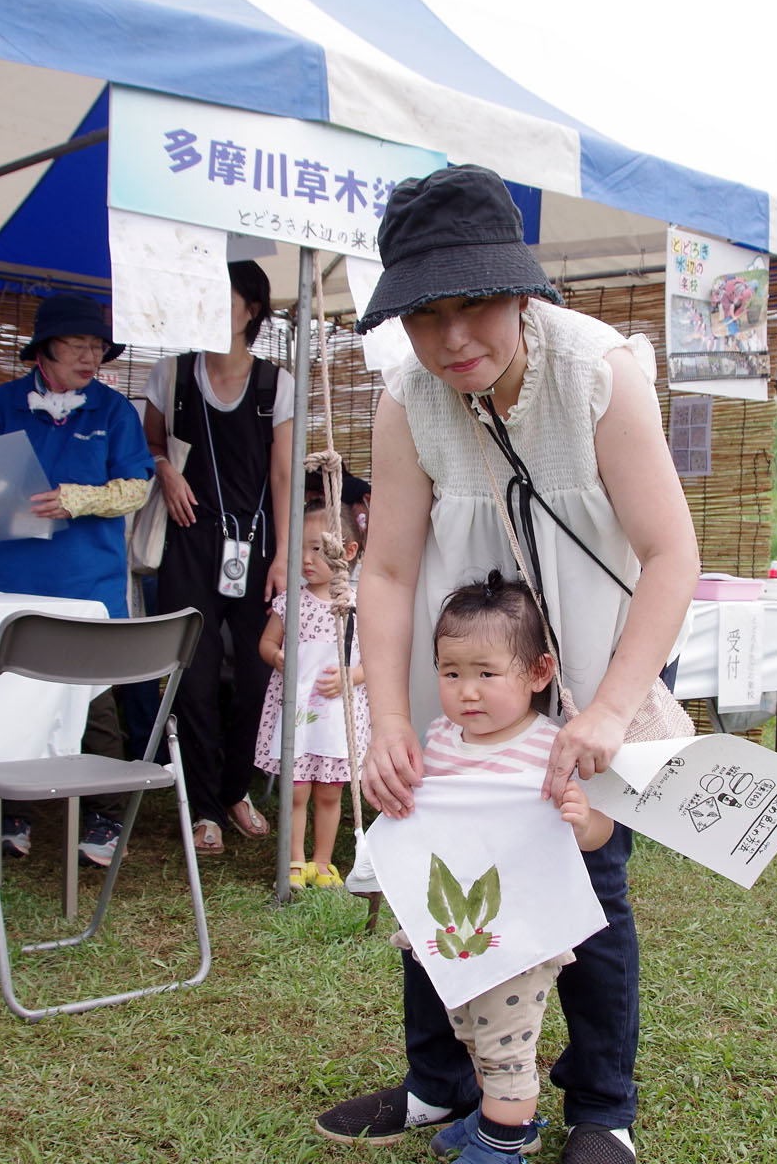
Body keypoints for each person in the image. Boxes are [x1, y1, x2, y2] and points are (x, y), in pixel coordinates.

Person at [313, 165, 699, 1164]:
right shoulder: (409, 397)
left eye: (474, 304)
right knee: (433, 866)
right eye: (423, 314)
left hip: (586, 681)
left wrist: (610, 709)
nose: (452, 339)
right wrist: (391, 724)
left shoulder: (599, 374)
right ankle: (440, 1086)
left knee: (591, 879)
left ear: (522, 291)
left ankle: (603, 1107)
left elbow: (671, 555)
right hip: (461, 674)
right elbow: (390, 567)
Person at [391, 572, 612, 1163]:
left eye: (486, 674)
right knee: (468, 1027)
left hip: (519, 929)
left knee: (506, 1043)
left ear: (537, 673)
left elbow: (600, 835)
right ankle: (500, 1118)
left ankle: (504, 1140)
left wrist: (581, 818)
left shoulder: (551, 746)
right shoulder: (438, 739)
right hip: (455, 927)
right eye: (451, 672)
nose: (467, 692)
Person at [0, 290, 154, 866]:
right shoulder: (0, 404)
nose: (90, 357)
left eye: (96, 347)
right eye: (76, 345)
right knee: (15, 695)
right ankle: (12, 813)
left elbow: (137, 487)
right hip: (16, 577)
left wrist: (77, 500)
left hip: (93, 581)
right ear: (44, 349)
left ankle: (104, 817)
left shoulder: (113, 412)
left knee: (95, 702)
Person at [145, 261, 293, 856]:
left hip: (256, 547)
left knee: (258, 674)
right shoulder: (171, 373)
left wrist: (284, 554)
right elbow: (152, 441)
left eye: (223, 297)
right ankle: (204, 806)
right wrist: (165, 474)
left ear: (252, 309)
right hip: (189, 539)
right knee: (194, 676)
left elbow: (284, 472)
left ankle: (236, 791)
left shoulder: (274, 384)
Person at [254, 498, 368, 890]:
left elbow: (376, 661)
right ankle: (294, 861)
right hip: (299, 712)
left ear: (349, 552)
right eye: (300, 547)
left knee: (329, 792)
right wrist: (277, 656)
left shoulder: (357, 606)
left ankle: (322, 861)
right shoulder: (290, 603)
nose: (306, 558)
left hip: (336, 716)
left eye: (317, 549)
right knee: (297, 788)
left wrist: (351, 677)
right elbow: (267, 644)